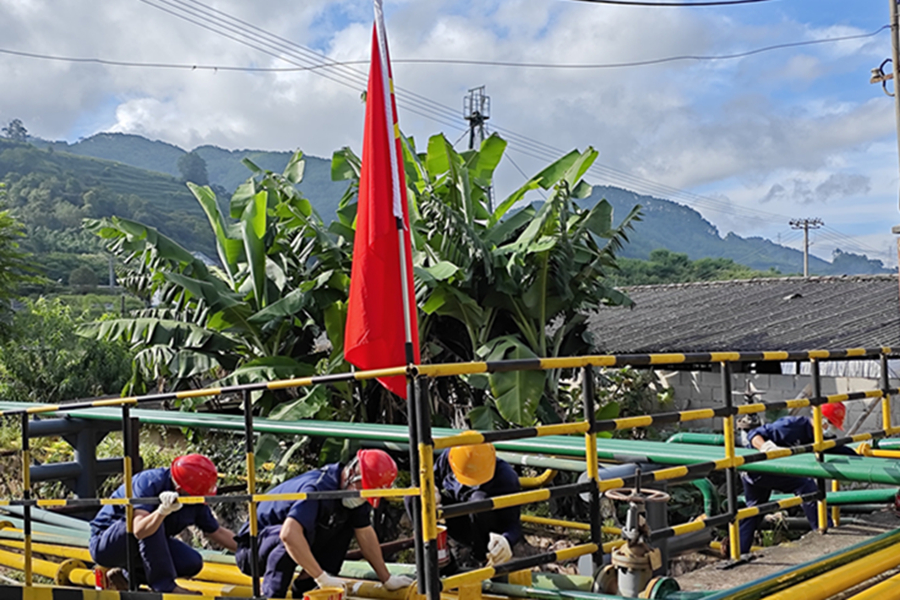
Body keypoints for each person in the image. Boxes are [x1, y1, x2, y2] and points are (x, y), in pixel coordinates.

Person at [235, 449, 415, 599]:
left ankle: (306, 589)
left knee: (345, 526)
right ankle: (272, 596)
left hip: (296, 544)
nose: (364, 498)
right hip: (254, 549)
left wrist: (387, 578)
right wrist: (322, 577)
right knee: (291, 534)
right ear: (352, 474)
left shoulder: (352, 494)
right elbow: (288, 535)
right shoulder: (317, 489)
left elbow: (365, 534)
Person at [89, 454, 237, 594]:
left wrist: (250, 549)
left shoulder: (194, 497)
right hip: (108, 544)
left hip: (145, 547)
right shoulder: (149, 483)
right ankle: (166, 587)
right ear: (180, 489)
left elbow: (217, 532)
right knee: (153, 523)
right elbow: (139, 530)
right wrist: (162, 511)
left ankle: (126, 577)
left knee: (191, 562)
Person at [738, 402, 855, 554]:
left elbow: (837, 448)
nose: (831, 429)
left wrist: (861, 456)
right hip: (758, 467)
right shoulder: (792, 425)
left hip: (758, 471)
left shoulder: (820, 436)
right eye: (831, 424)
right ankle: (827, 534)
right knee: (806, 486)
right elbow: (753, 434)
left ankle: (738, 552)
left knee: (754, 510)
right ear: (822, 419)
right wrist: (766, 448)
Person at [430, 439, 522, 569]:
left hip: (486, 531)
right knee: (414, 498)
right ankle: (437, 558)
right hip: (455, 517)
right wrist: (431, 492)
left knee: (479, 501)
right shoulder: (451, 457)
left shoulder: (506, 477)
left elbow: (513, 524)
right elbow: (430, 479)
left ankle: (480, 560)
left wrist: (507, 540)